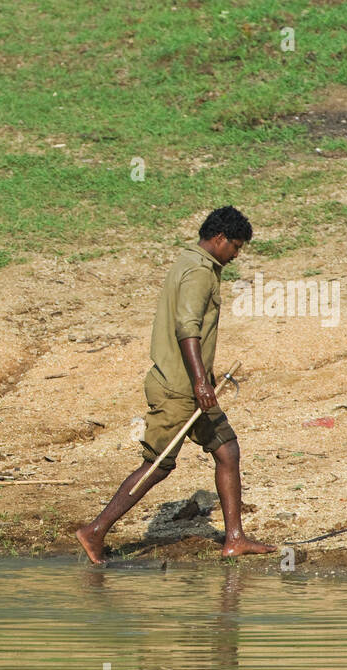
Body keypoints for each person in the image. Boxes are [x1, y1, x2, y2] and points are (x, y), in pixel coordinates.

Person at [76, 206, 276, 565]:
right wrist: (200, 380)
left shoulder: (189, 262)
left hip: (196, 387)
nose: (236, 256)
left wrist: (205, 381)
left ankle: (235, 538)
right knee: (158, 465)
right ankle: (95, 531)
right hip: (179, 389)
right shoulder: (198, 273)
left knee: (227, 450)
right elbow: (188, 328)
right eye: (236, 247)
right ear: (219, 239)